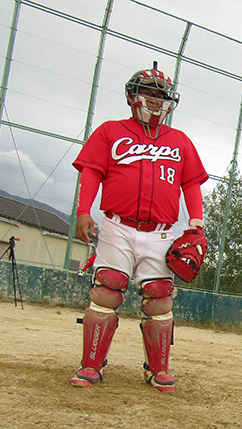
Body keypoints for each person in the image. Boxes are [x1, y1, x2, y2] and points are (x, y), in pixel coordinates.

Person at [71, 64, 208, 393]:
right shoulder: (110, 131)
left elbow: (191, 185)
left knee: (160, 297)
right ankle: (91, 364)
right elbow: (91, 172)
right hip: (117, 225)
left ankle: (157, 369)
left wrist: (196, 224)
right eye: (149, 92)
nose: (156, 100)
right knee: (107, 289)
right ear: (133, 95)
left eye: (161, 95)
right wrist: (83, 211)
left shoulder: (180, 142)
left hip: (161, 232)